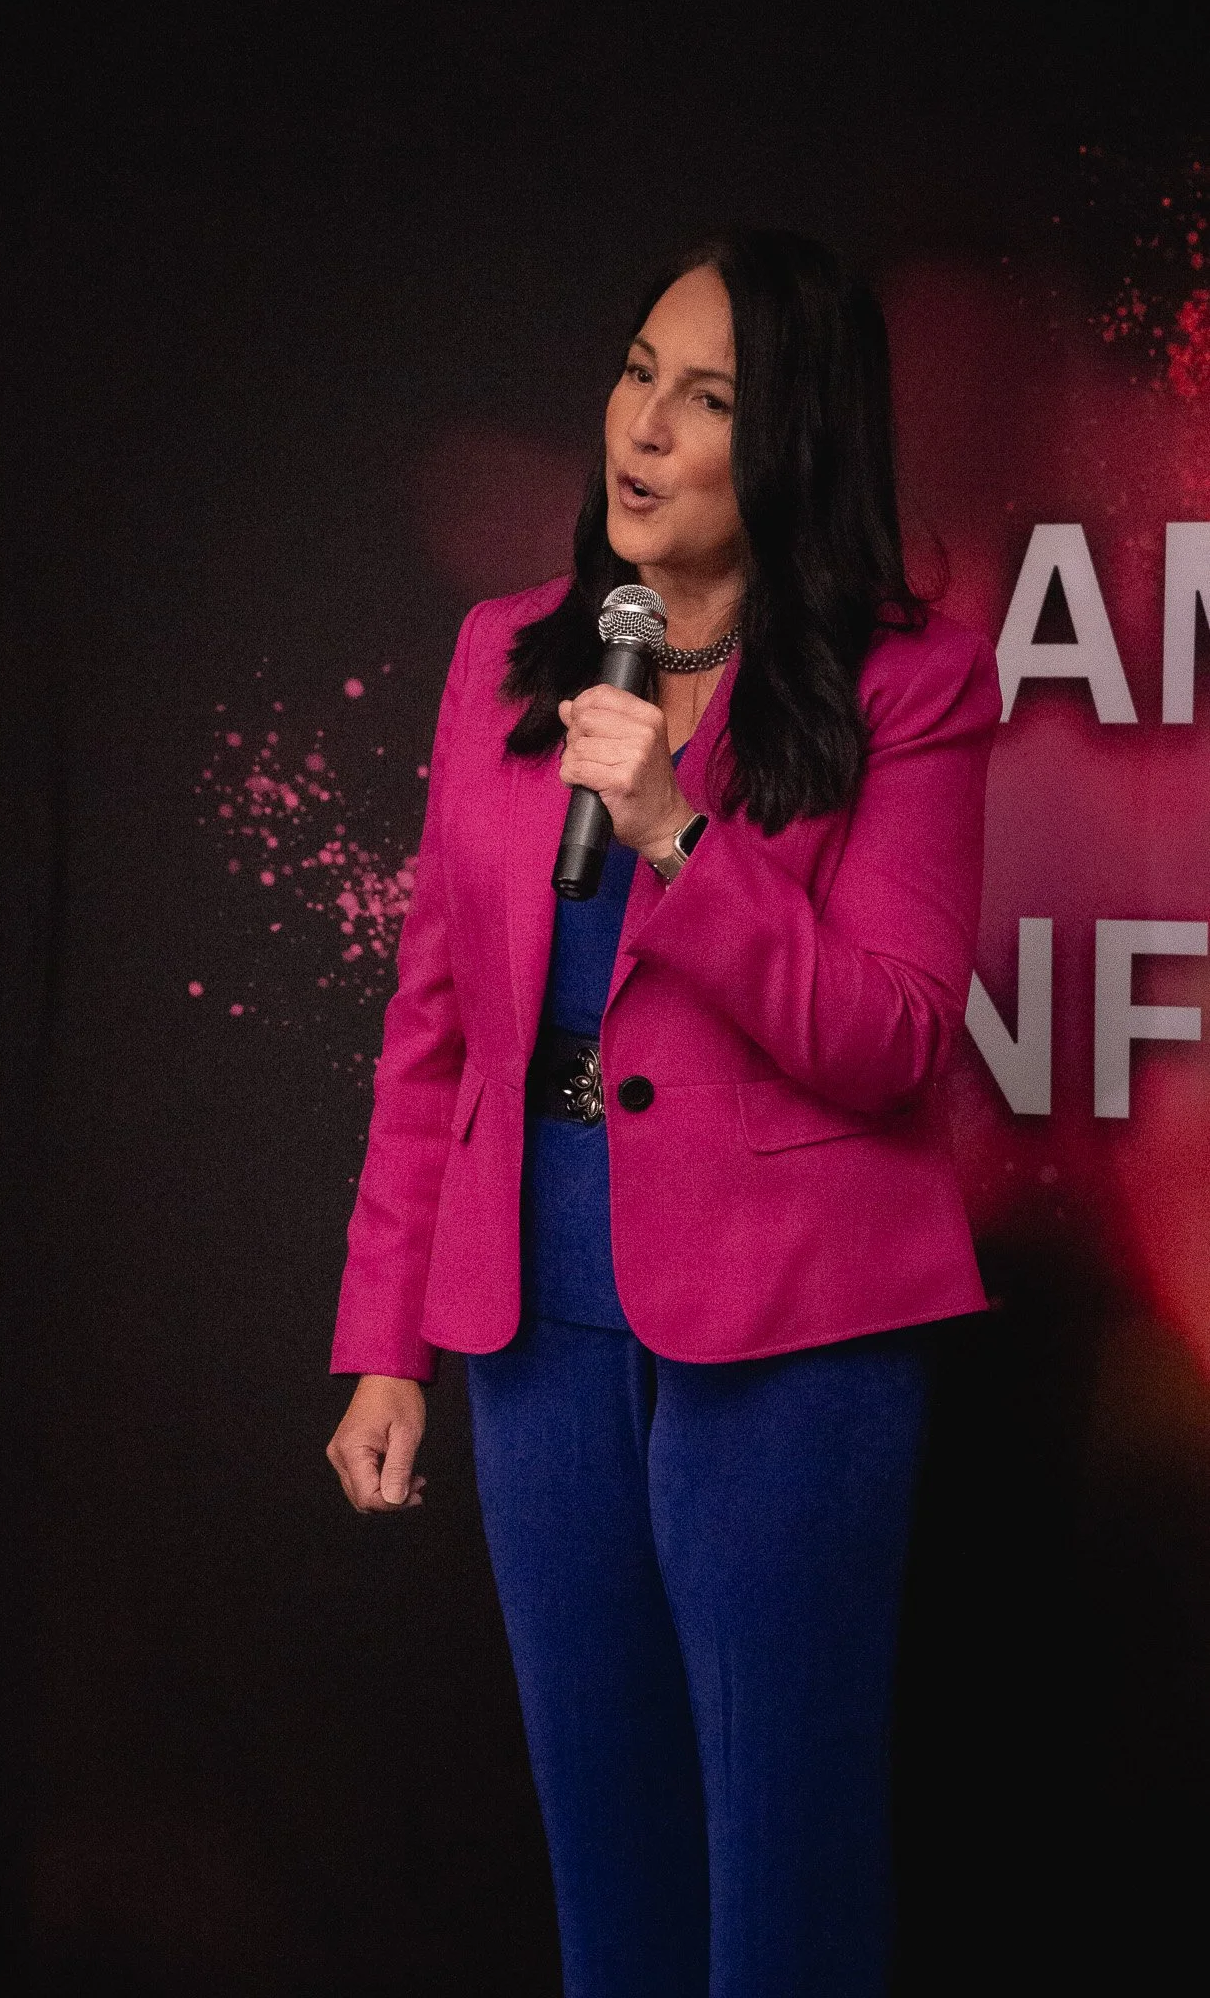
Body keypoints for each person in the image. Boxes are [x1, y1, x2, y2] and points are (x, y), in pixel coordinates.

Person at [326, 228, 1002, 1998]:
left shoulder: (906, 686)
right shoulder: (504, 658)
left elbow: (894, 1035)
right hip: (535, 1307)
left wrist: (677, 843)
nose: (643, 428)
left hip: (793, 1330)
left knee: (783, 1873)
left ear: (786, 443)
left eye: (706, 400)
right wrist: (387, 1340)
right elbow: (432, 1036)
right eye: (637, 374)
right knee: (604, 1853)